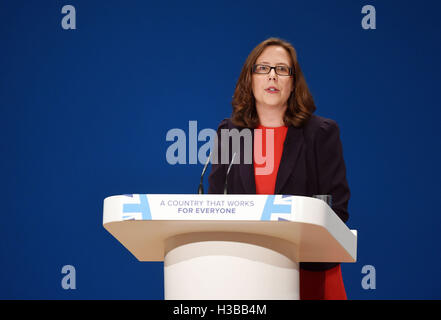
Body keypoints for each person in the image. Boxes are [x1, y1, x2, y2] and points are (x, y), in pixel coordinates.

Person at [207, 37, 351, 300]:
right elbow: (216, 205)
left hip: (310, 274)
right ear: (249, 79)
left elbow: (337, 211)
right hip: (245, 274)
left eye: (282, 69)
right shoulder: (230, 133)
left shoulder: (320, 133)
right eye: (263, 68)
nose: (272, 76)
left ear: (293, 82)